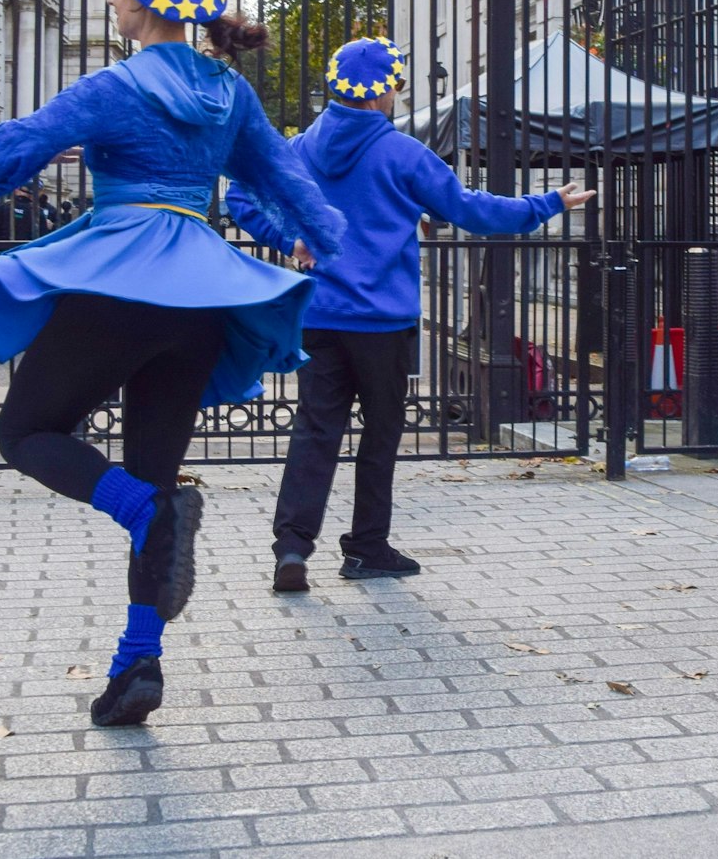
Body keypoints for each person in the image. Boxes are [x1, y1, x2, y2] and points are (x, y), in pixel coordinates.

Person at [0, 0, 345, 727]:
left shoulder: (113, 86)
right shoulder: (229, 93)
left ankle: (143, 514)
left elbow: (24, 144)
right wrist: (322, 235)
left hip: (122, 280)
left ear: (139, 0)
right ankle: (138, 663)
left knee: (27, 430)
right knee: (153, 472)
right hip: (200, 298)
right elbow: (287, 176)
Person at [228, 37, 594, 592]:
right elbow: (471, 210)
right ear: (386, 93)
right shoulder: (403, 154)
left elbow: (241, 196)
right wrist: (548, 203)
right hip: (384, 322)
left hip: (320, 315)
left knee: (315, 431)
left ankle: (293, 548)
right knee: (379, 435)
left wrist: (289, 239)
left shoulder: (297, 148)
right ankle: (367, 548)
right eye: (396, 88)